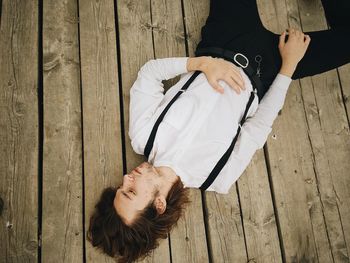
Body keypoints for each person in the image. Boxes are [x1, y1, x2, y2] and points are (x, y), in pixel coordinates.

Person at [87, 0, 350, 262]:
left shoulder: (144, 136)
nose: (126, 177)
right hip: (268, 68)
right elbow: (258, 127)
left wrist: (201, 64)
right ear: (159, 205)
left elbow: (149, 74)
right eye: (130, 191)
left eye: (120, 187)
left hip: (223, 39)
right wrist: (289, 66)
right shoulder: (218, 177)